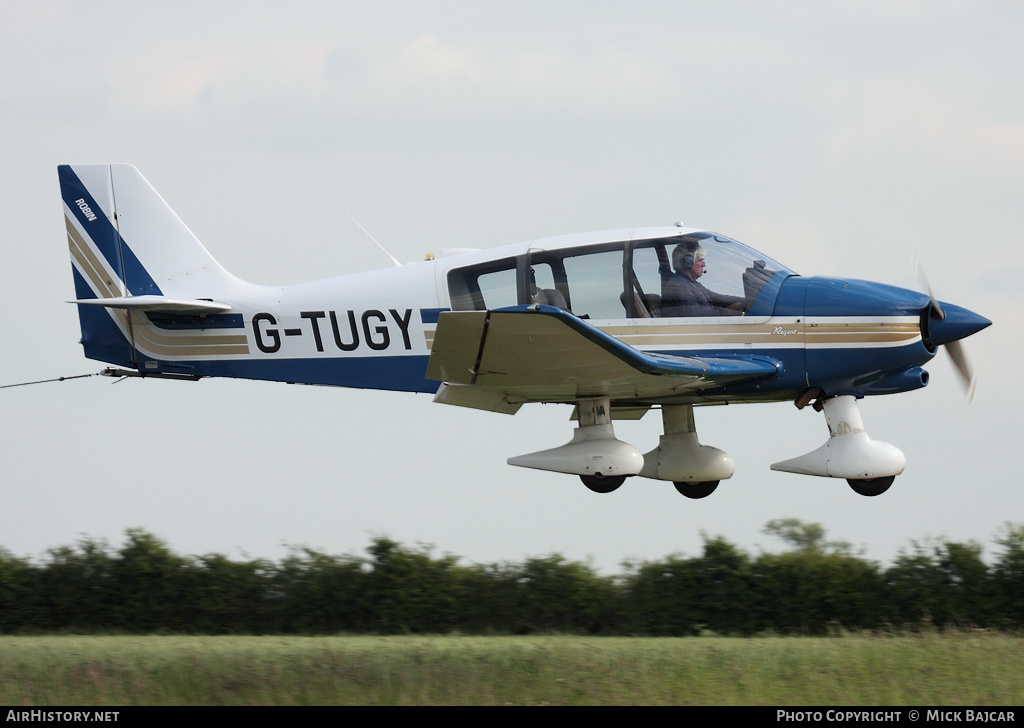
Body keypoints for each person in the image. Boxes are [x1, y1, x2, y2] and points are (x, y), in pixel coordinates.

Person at [660, 241, 746, 317]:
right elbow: (694, 315)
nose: (703, 265)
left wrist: (749, 302)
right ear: (687, 262)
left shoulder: (694, 285)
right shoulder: (679, 287)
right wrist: (726, 312)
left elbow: (720, 299)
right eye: (700, 260)